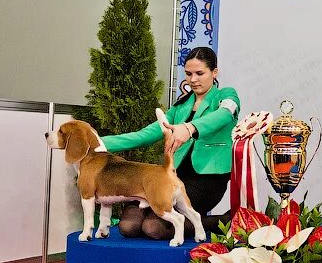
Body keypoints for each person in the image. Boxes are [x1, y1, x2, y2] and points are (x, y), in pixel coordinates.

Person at [102, 47, 240, 240]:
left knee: (152, 227)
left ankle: (221, 222)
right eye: (189, 74)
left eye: (200, 73)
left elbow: (223, 116)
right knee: (128, 226)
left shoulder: (227, 96)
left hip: (207, 181)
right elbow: (145, 135)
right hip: (171, 175)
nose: (193, 80)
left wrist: (190, 128)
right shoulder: (181, 105)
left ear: (214, 72)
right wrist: (98, 142)